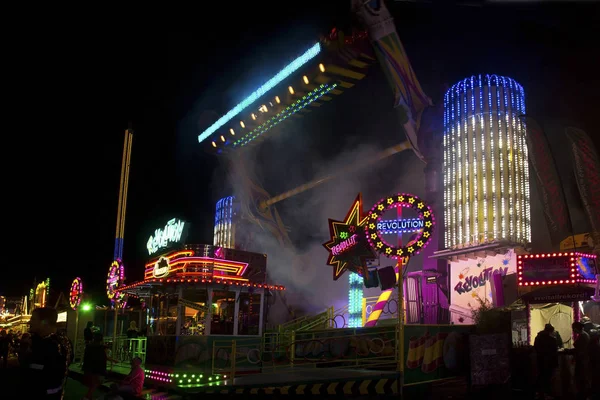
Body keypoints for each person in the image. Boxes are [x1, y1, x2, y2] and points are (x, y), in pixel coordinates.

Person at [22, 307, 69, 399]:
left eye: (33, 319)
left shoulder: (51, 346)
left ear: (45, 322)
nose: (29, 322)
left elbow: (38, 375)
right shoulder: (62, 341)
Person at [534, 323, 559, 399]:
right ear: (550, 331)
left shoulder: (538, 337)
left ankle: (540, 393)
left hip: (540, 360)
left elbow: (536, 348)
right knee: (548, 378)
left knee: (541, 376)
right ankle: (547, 394)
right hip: (549, 362)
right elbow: (554, 351)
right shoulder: (552, 340)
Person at [82, 332, 107, 400]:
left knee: (92, 384)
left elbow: (86, 358)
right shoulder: (100, 348)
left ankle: (89, 397)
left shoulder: (89, 347)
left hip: (89, 368)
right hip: (97, 369)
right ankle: (87, 397)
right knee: (95, 383)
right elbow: (102, 360)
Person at [571, 321, 590, 400]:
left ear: (575, 328)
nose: (572, 330)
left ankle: (582, 395)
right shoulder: (583, 335)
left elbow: (580, 349)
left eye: (573, 328)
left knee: (581, 378)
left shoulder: (582, 336)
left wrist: (569, 351)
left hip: (582, 360)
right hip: (583, 360)